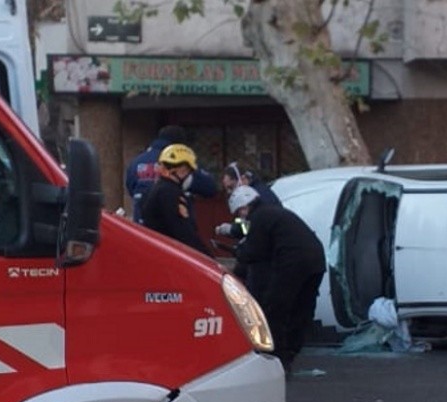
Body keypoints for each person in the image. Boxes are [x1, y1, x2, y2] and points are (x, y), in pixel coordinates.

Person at [228, 185, 325, 375]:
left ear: (244, 207)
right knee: (301, 309)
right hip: (316, 261)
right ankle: (291, 350)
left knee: (275, 309)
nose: (241, 217)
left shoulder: (259, 218)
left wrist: (237, 251)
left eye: (239, 213)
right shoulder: (275, 213)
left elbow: (253, 251)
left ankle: (278, 359)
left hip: (292, 262)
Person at [125, 125, 217, 223]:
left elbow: (131, 188)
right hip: (172, 227)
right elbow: (210, 187)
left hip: (142, 228)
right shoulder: (180, 162)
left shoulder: (136, 163)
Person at [141, 144, 212, 256]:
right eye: (188, 171)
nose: (188, 175)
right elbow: (184, 233)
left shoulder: (156, 189)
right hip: (169, 256)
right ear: (181, 170)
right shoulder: (170, 193)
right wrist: (209, 260)